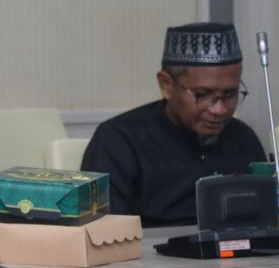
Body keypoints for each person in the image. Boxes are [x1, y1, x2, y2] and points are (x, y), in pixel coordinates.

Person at [81, 22, 267, 227]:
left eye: (230, 94)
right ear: (166, 85)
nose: (219, 109)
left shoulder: (244, 138)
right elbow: (102, 232)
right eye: (203, 95)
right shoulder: (118, 142)